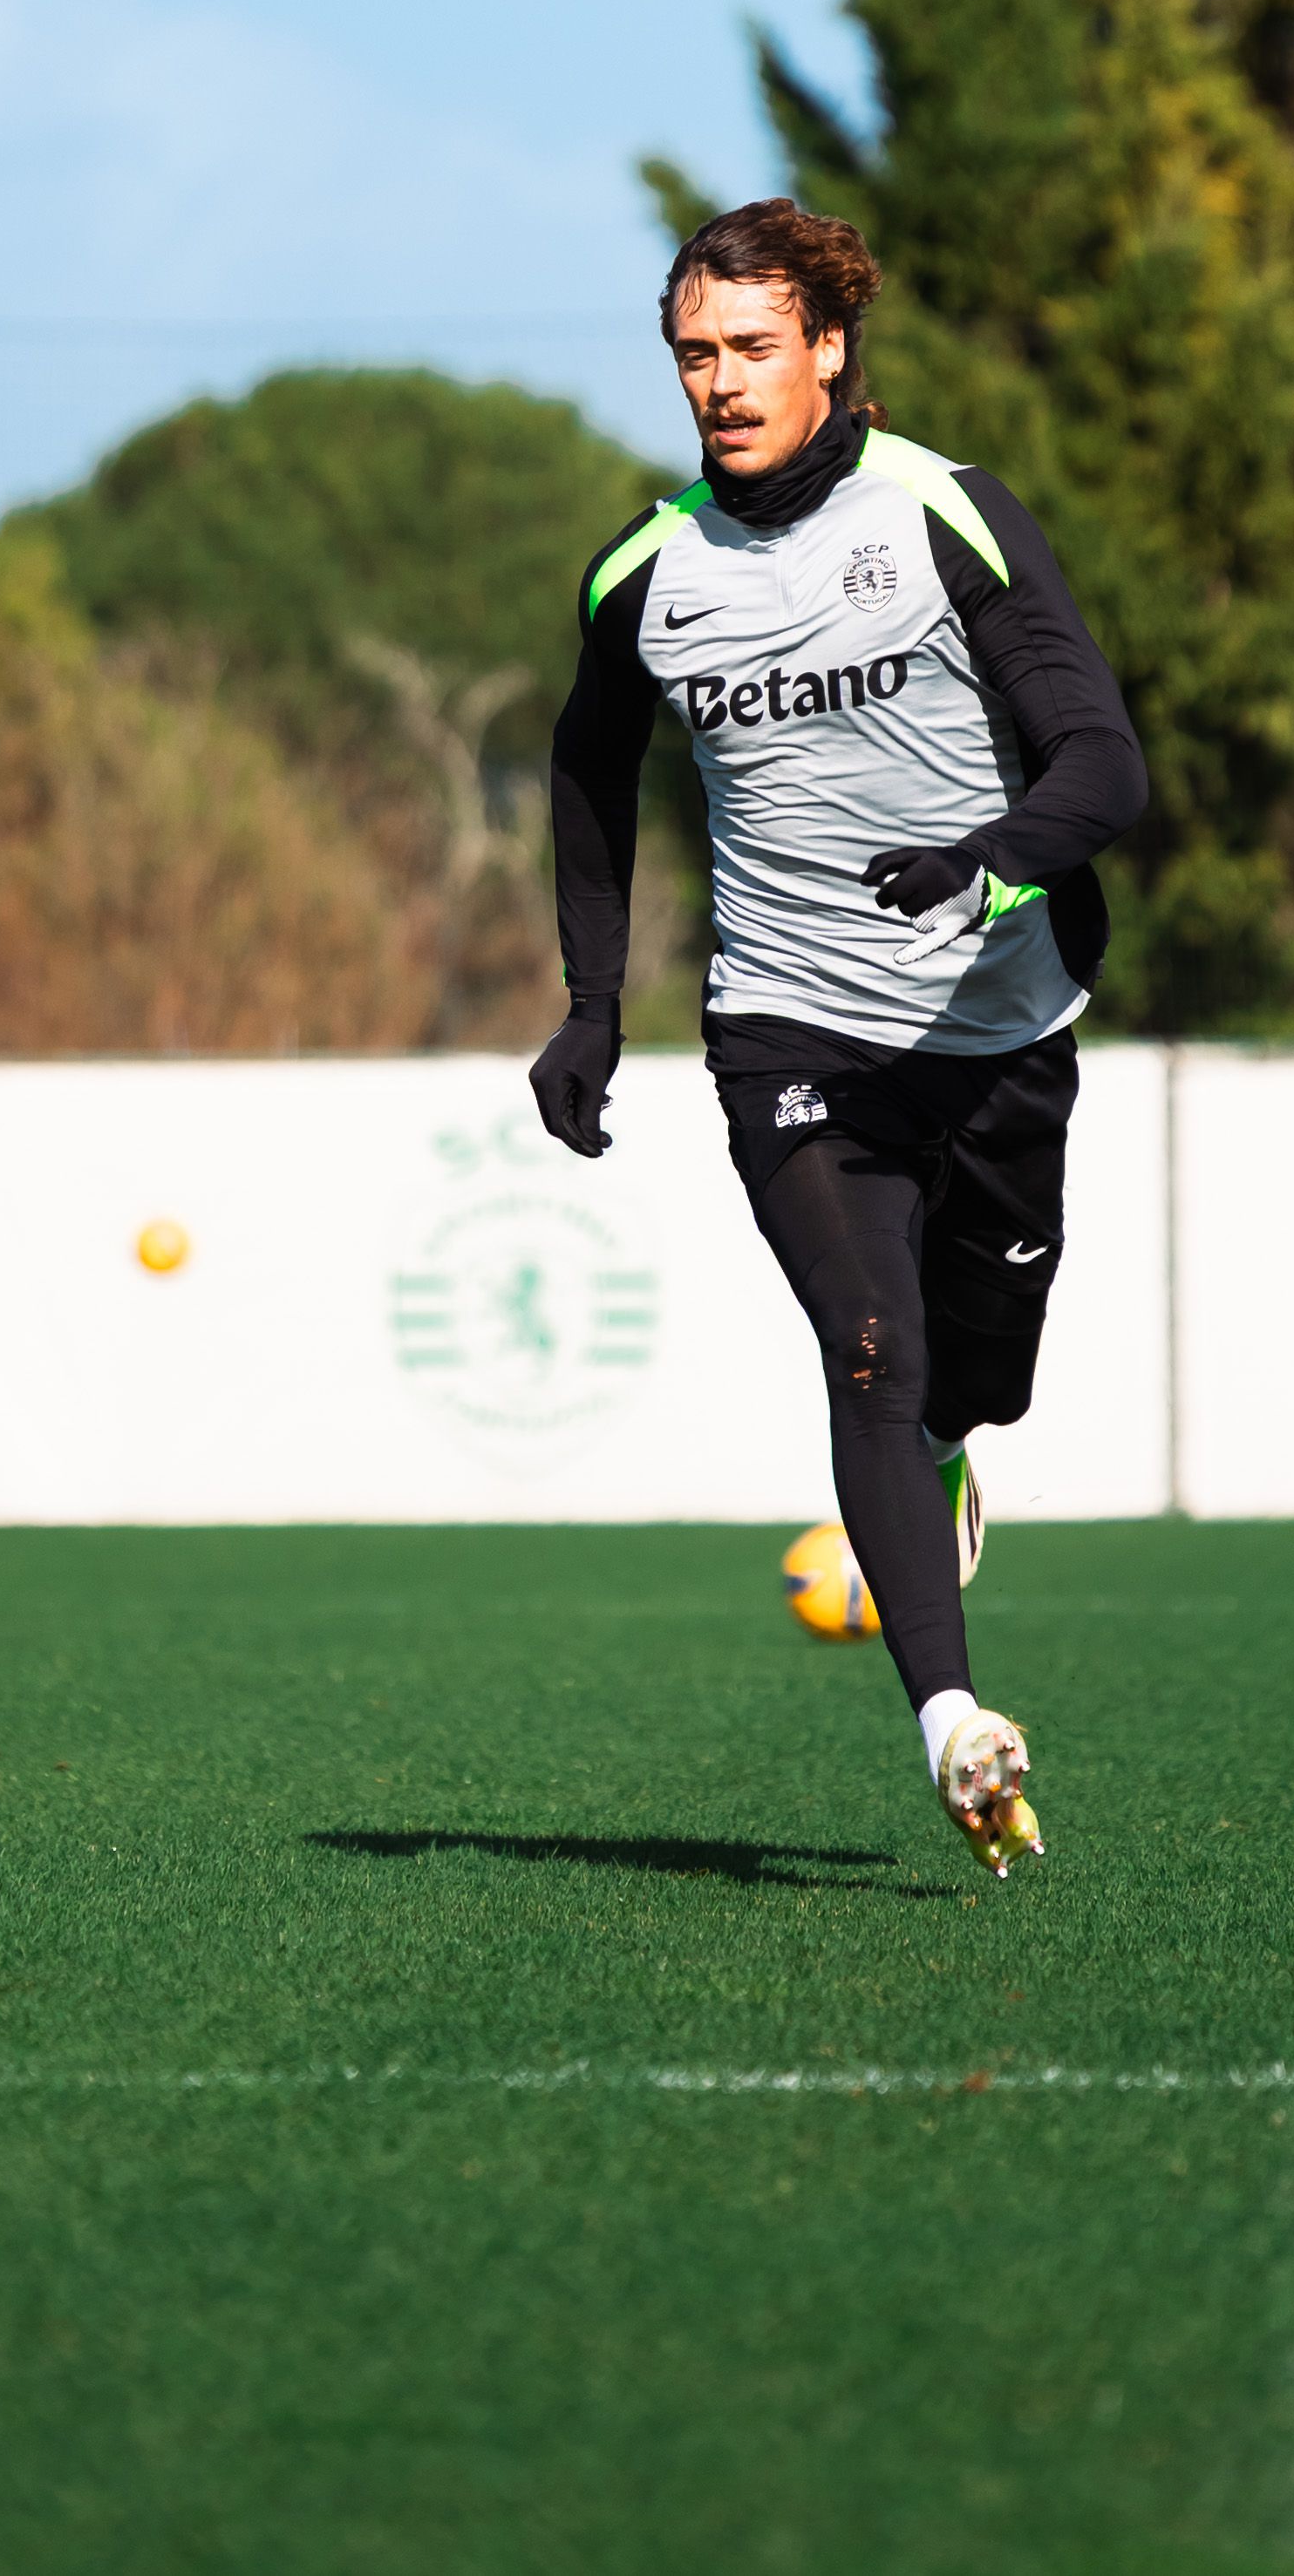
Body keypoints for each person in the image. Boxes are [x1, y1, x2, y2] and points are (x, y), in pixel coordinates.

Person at [528, 200, 1147, 1876]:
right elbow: (586, 778)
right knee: (867, 1350)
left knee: (976, 1377)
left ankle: (950, 1456)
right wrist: (596, 1003)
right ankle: (950, 1719)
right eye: (690, 356)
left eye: (745, 349)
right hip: (786, 1027)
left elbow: (1103, 764)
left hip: (999, 1023)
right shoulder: (643, 575)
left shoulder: (941, 514)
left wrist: (991, 855)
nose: (716, 384)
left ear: (826, 349)